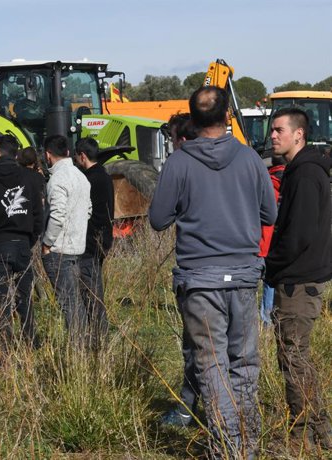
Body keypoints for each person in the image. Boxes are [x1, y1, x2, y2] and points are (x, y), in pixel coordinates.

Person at [149, 86, 276, 458]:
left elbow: (158, 218)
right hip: (242, 277)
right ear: (227, 117)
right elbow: (270, 214)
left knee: (212, 366)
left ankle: (226, 448)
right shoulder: (251, 159)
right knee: (244, 363)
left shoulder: (179, 162)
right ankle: (246, 445)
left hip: (200, 280)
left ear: (192, 118)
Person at [265, 108, 332, 452]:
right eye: (272, 130)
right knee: (297, 356)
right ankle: (319, 431)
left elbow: (298, 234)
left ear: (299, 135)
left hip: (297, 282)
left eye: (279, 130)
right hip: (299, 279)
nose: (273, 135)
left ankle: (303, 435)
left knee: (293, 358)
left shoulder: (305, 174)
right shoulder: (302, 170)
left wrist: (270, 265)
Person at [0, 135, 43, 348]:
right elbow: (38, 215)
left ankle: (5, 346)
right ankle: (30, 341)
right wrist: (29, 240)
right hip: (22, 243)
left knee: (1, 300)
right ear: (16, 153)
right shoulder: (31, 178)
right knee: (25, 297)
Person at [157, 114, 202, 428]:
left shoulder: (179, 164)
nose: (172, 145)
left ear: (182, 139)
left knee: (195, 346)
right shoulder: (243, 159)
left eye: (172, 138)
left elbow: (159, 217)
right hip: (240, 271)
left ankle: (189, 410)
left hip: (197, 270)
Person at [41, 134, 91, 345]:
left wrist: (47, 243)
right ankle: (83, 344)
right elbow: (88, 209)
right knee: (75, 301)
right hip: (77, 247)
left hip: (59, 249)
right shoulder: (81, 176)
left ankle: (78, 348)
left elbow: (57, 214)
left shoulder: (58, 179)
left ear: (47, 155)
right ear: (69, 153)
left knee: (67, 303)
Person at [73, 137, 114, 350]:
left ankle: (99, 340)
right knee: (94, 290)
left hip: (89, 242)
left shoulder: (87, 179)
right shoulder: (104, 176)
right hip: (102, 239)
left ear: (82, 156)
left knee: (92, 294)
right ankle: (98, 336)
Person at [258, 155, 285, 326]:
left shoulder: (264, 184)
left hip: (261, 240)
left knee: (266, 281)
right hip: (280, 241)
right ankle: (273, 317)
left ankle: (266, 319)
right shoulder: (292, 184)